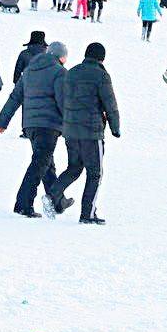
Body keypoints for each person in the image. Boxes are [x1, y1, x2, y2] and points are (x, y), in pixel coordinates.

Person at [42, 42, 120, 225]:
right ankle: (88, 214)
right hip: (91, 132)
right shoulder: (101, 75)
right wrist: (115, 128)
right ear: (102, 58)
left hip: (71, 131)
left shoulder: (72, 73)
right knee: (95, 173)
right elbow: (110, 103)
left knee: (74, 168)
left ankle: (52, 195)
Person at [0, 42, 73, 218]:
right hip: (49, 125)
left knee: (46, 163)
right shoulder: (60, 72)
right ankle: (23, 204)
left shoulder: (29, 70)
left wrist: (2, 122)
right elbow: (63, 101)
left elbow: (15, 97)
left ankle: (58, 201)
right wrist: (71, 125)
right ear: (61, 56)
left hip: (30, 125)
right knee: (39, 164)